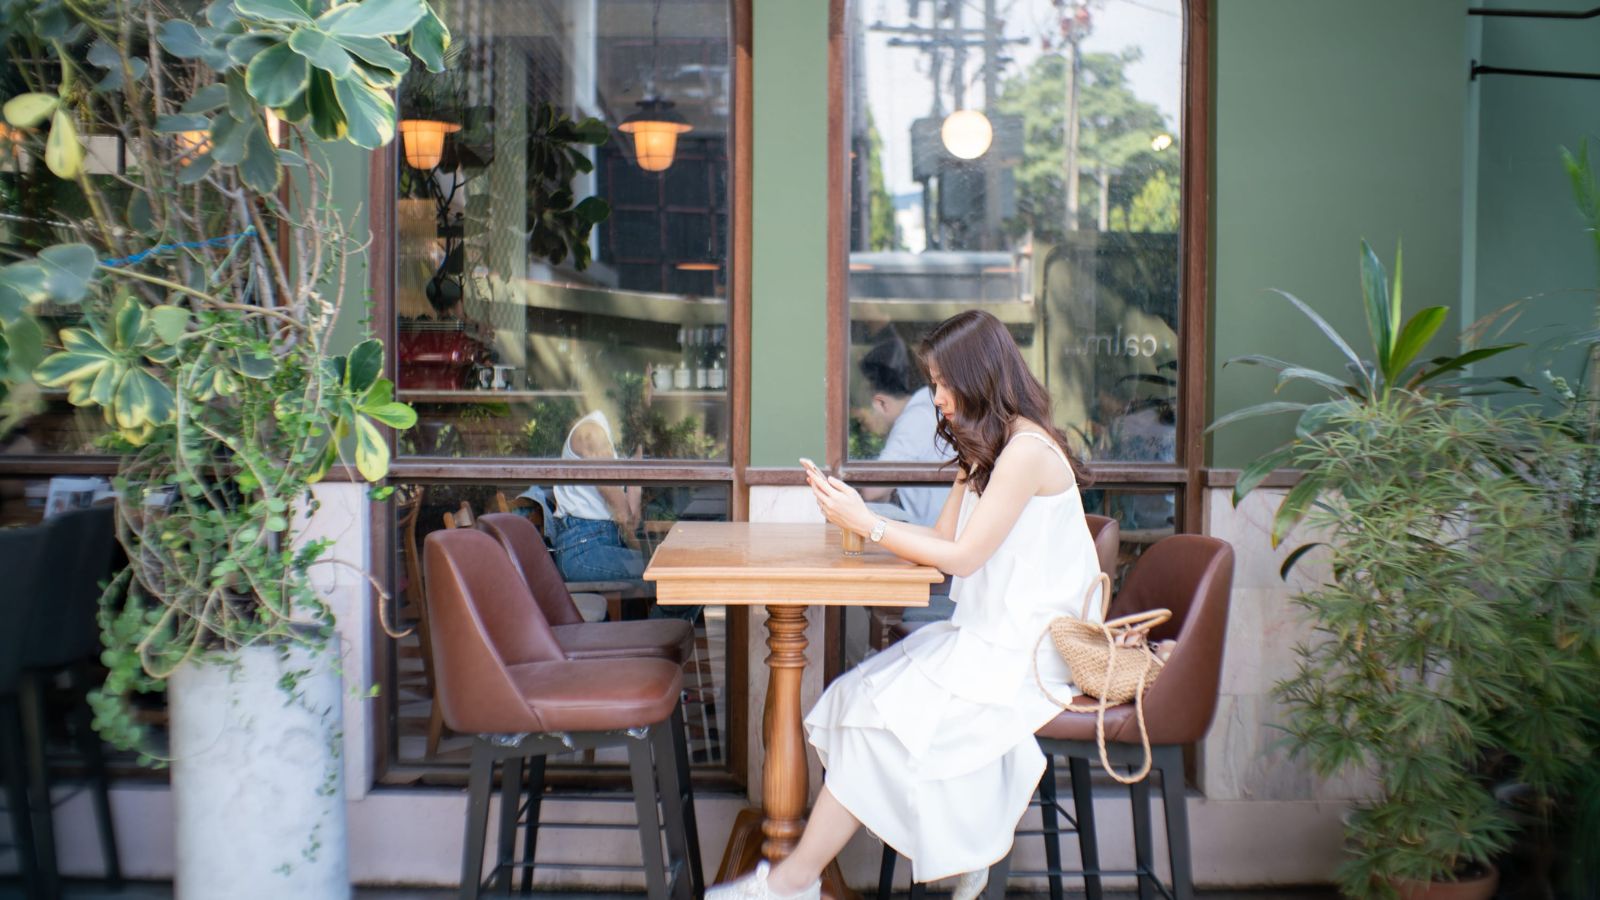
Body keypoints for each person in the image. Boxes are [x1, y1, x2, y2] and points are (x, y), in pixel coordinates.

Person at [707, 310, 1103, 900]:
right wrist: (854, 513)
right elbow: (944, 546)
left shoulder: (1025, 450)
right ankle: (937, 845)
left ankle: (792, 882)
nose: (936, 397)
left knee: (875, 717)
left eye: (943, 383)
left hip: (1028, 655)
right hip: (987, 638)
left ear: (978, 376)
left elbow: (963, 558)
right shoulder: (989, 449)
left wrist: (867, 525)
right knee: (854, 700)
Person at [852, 336, 953, 527]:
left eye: (863, 419)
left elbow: (873, 491)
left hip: (932, 537)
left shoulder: (914, 420)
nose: (864, 428)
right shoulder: (926, 404)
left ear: (881, 403)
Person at [549, 409, 646, 582]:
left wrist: (635, 462)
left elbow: (631, 515)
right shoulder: (591, 432)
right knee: (661, 573)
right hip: (582, 550)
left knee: (659, 569)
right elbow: (623, 513)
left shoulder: (613, 438)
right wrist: (640, 549)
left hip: (599, 543)